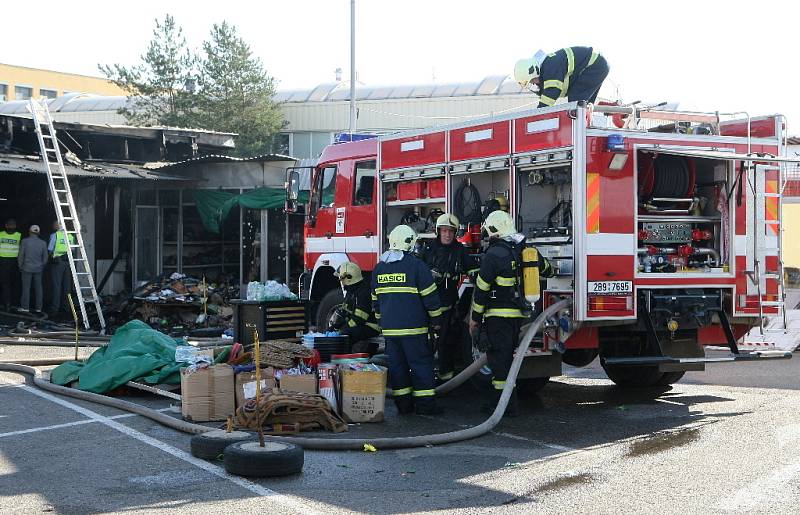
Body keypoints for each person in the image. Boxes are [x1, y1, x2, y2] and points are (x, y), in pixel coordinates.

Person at [468, 210, 553, 417]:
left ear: (494, 230)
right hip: (518, 316)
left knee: (500, 363)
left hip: (497, 317)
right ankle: (504, 404)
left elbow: (481, 290)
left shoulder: (493, 255)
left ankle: (504, 407)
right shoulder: (525, 250)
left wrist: (475, 319)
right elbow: (548, 270)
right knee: (507, 360)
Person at [371, 224, 443, 415]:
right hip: (414, 330)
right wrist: (437, 321)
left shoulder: (379, 269)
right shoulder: (417, 266)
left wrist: (382, 323)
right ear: (410, 243)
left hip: (390, 332)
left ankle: (404, 406)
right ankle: (426, 407)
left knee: (398, 368)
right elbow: (431, 298)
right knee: (420, 366)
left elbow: (375, 302)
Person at [415, 213, 479, 383]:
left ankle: (445, 379)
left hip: (448, 304)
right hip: (426, 304)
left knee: (446, 342)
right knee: (425, 342)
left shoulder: (460, 250)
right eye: (444, 231)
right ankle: (423, 378)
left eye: (451, 231)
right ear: (438, 231)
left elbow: (471, 269)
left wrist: (478, 276)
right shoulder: (427, 249)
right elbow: (416, 271)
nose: (447, 234)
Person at [514, 47, 609, 108]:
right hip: (595, 66)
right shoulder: (549, 64)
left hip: (594, 66)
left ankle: (581, 127)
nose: (534, 83)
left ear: (534, 71)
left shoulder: (550, 66)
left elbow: (552, 92)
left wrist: (538, 113)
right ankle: (597, 115)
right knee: (583, 105)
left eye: (532, 80)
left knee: (575, 103)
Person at [330, 261, 381, 355]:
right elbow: (345, 310)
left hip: (371, 326)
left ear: (348, 278)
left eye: (341, 278)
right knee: (338, 331)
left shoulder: (363, 292)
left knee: (346, 334)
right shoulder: (352, 290)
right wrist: (335, 325)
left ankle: (346, 359)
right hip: (361, 324)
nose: (341, 281)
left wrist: (344, 328)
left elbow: (359, 318)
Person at [18, 225, 48, 314]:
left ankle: (25, 308)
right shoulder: (43, 243)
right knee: (39, 288)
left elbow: (21, 255)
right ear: (38, 233)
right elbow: (45, 257)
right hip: (38, 269)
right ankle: (39, 308)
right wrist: (42, 266)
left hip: (26, 268)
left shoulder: (25, 241)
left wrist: (20, 266)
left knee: (26, 288)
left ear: (29, 231)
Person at [48, 220, 75, 316]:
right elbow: (73, 250)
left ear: (58, 225)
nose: (53, 225)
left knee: (57, 286)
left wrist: (52, 257)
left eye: (54, 224)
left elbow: (50, 250)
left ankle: (55, 309)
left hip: (58, 262)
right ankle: (67, 308)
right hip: (68, 262)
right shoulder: (70, 236)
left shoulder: (55, 235)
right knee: (67, 287)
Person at [0, 218, 21, 311]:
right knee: (9, 283)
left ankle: (8, 303)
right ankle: (10, 303)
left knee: (7, 283)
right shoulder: (18, 235)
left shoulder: (2, 235)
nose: (11, 227)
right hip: (8, 262)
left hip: (10, 262)